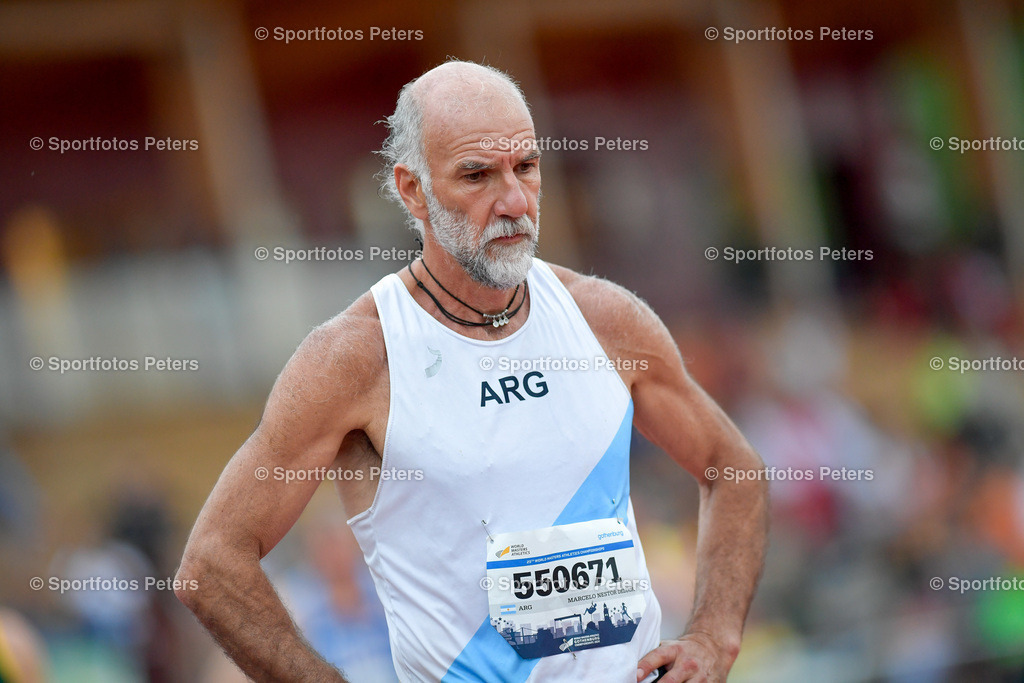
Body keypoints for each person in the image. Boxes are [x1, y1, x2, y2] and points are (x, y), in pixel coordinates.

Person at [175, 59, 769, 683]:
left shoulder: (604, 320)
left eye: (527, 167)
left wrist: (713, 633)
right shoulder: (358, 358)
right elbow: (211, 563)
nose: (513, 201)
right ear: (412, 191)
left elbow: (735, 471)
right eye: (477, 175)